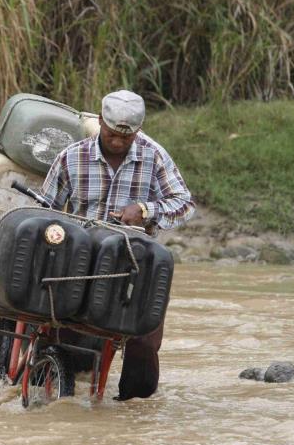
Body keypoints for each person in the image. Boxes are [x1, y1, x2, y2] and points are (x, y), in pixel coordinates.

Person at [39, 89, 195, 400]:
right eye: (112, 134)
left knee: (145, 339)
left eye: (127, 137)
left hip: (133, 263)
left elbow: (185, 204)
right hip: (80, 261)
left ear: (138, 131)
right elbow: (45, 208)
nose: (119, 142)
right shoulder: (72, 157)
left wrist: (146, 210)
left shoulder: (154, 155)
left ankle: (133, 409)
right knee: (55, 323)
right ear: (100, 122)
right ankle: (45, 383)